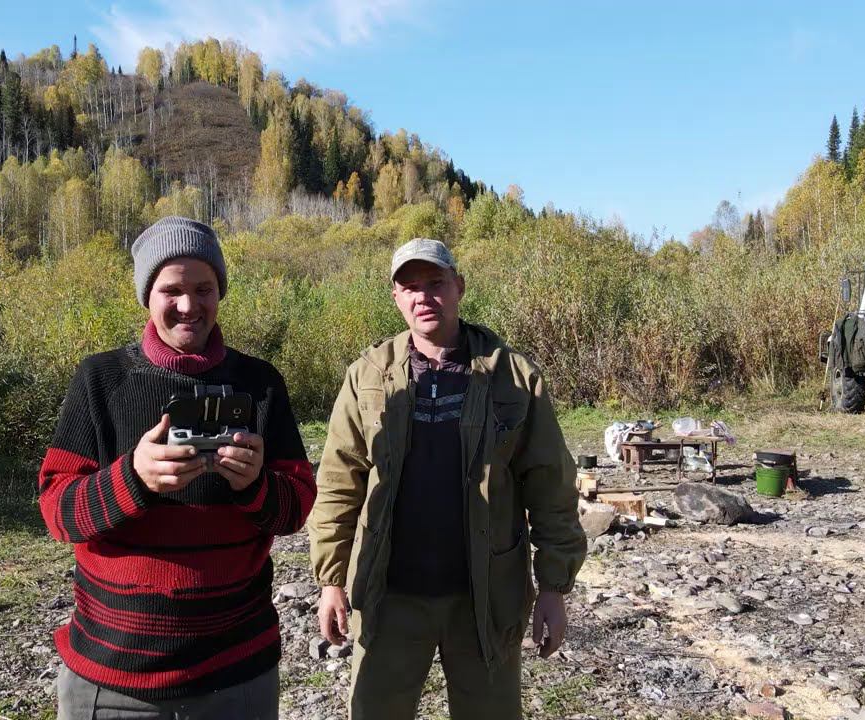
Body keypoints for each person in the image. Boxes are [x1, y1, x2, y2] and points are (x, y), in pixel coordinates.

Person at [38, 216, 316, 720]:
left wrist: (256, 485)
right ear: (147, 295)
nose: (189, 305)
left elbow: (296, 508)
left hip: (238, 674)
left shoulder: (259, 384)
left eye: (203, 288)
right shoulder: (101, 380)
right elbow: (58, 511)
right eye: (172, 290)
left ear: (220, 292)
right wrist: (132, 478)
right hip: (114, 679)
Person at [308, 237, 587, 719]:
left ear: (459, 286)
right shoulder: (367, 376)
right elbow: (338, 483)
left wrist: (553, 588)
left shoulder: (512, 376)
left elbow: (551, 485)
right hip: (388, 595)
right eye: (409, 287)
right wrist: (332, 581)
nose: (423, 296)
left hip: (486, 597)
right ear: (396, 297)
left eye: (435, 283)